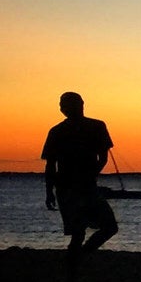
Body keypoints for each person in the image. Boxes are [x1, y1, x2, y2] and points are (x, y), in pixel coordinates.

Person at [41, 92, 119, 270]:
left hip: (84, 188)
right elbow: (51, 165)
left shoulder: (96, 126)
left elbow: (103, 157)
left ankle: (78, 257)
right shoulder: (57, 131)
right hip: (68, 189)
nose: (66, 108)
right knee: (79, 232)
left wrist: (91, 176)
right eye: (65, 105)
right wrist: (49, 192)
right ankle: (74, 264)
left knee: (107, 227)